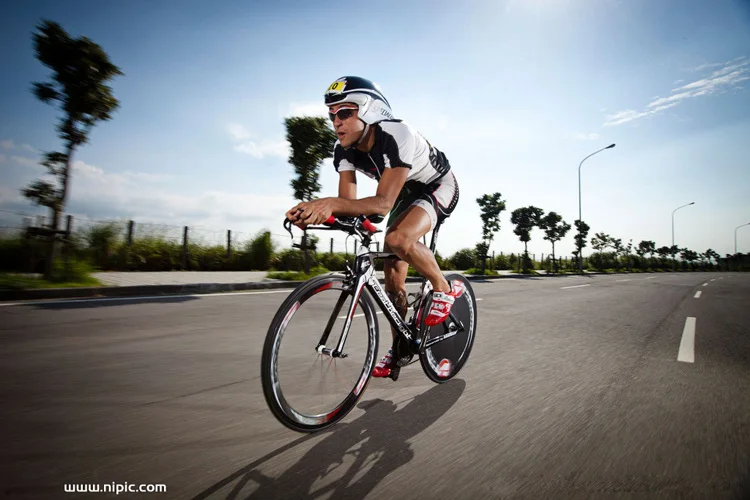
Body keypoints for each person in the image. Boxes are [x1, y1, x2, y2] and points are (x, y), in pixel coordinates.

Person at [285, 76, 463, 378]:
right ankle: (399, 349)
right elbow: (347, 204)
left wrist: (329, 203)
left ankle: (443, 289)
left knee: (397, 238)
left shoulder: (397, 134)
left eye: (345, 112)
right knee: (393, 277)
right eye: (332, 115)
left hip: (437, 185)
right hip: (404, 192)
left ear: (369, 110)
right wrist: (317, 214)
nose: (336, 122)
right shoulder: (342, 150)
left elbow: (381, 203)